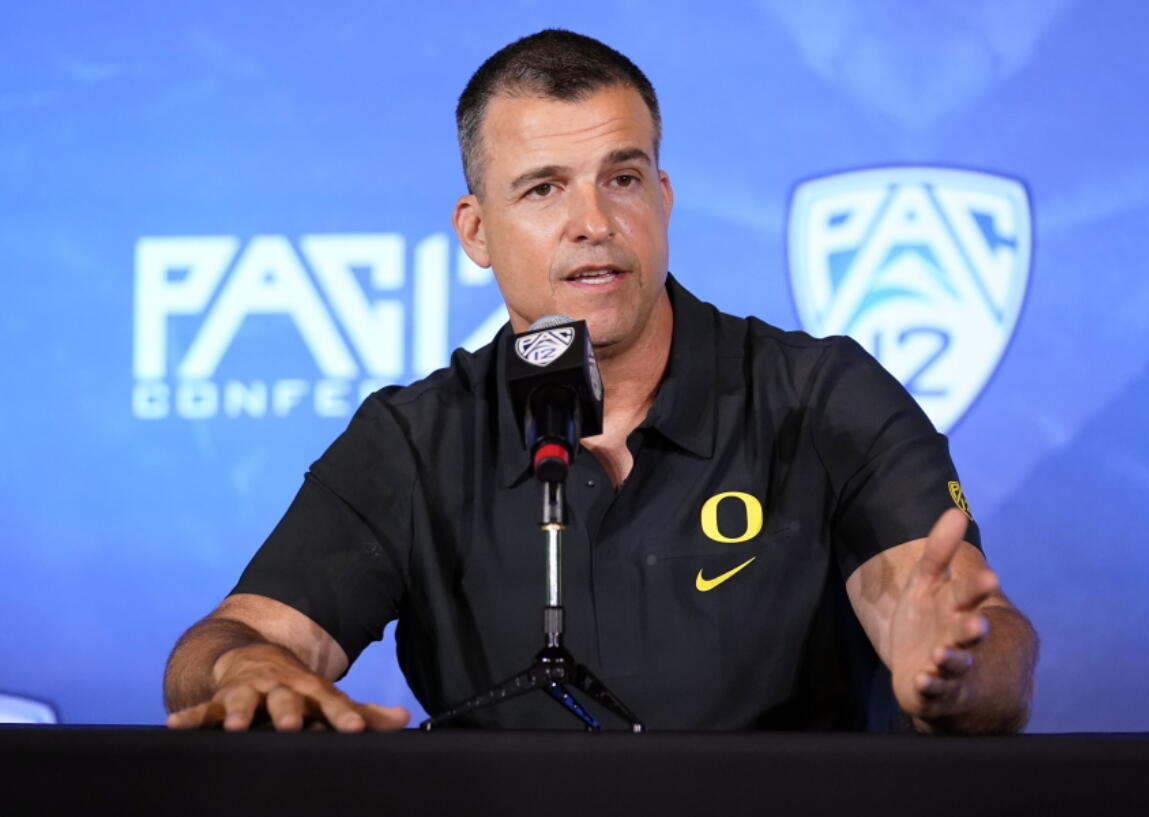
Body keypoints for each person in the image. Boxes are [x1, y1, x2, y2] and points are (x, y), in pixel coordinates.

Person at [164, 29, 1037, 734]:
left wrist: (956, 667)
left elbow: (982, 645)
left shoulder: (821, 395)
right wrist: (249, 669)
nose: (593, 223)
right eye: (543, 189)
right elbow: (229, 641)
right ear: (475, 230)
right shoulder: (415, 439)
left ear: (661, 196)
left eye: (621, 178)